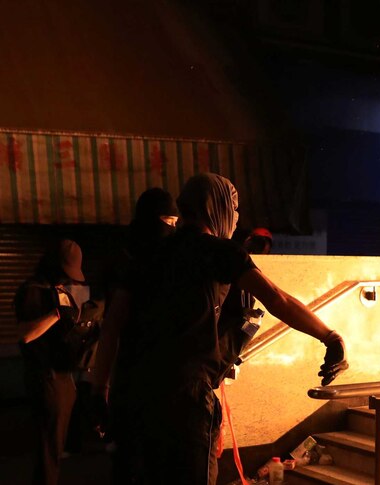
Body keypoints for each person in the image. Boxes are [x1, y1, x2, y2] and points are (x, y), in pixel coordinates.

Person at [94, 173, 348, 485]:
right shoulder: (219, 252)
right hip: (184, 399)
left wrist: (98, 390)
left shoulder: (147, 254)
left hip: (134, 395)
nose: (237, 216)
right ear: (218, 207)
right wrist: (329, 336)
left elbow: (112, 326)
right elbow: (277, 299)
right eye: (235, 207)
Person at [96, 187, 179, 484]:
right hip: (133, 386)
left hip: (153, 387)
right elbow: (112, 328)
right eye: (167, 222)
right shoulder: (129, 262)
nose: (171, 229)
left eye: (175, 223)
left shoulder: (166, 259)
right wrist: (100, 388)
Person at [16, 238, 95, 485]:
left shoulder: (65, 288)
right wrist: (58, 313)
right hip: (45, 378)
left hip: (65, 377)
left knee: (55, 450)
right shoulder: (34, 290)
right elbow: (26, 334)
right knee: (48, 452)